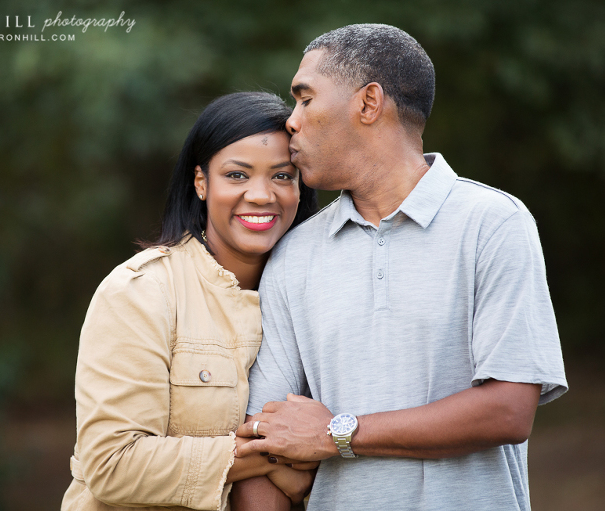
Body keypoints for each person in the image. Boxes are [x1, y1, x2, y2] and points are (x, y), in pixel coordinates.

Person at [232, 24, 568, 510]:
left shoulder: (493, 224)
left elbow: (508, 410)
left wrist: (337, 433)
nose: (291, 121)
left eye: (305, 99)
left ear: (369, 103)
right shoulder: (293, 253)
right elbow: (264, 435)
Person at [61, 91, 319, 511]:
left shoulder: (316, 298)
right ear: (201, 182)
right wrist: (272, 453)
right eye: (236, 175)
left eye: (282, 176)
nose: (260, 194)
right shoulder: (141, 291)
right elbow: (112, 464)